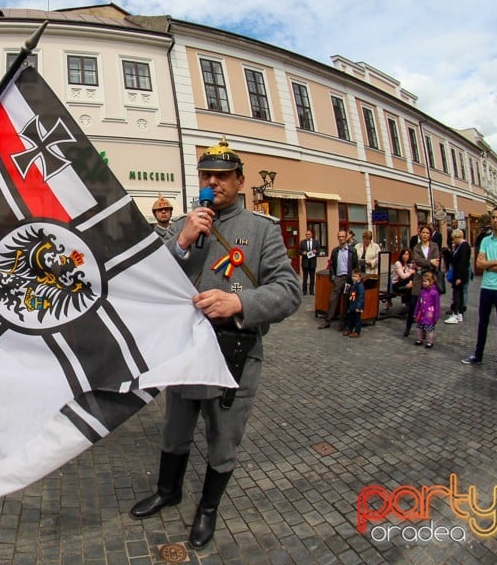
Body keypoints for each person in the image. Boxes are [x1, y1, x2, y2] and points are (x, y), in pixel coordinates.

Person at [129, 138, 300, 549]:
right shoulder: (184, 224)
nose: (213, 182)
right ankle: (169, 491)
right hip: (186, 349)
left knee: (223, 437)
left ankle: (207, 508)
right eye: (207, 175)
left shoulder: (261, 230)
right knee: (175, 429)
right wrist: (182, 240)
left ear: (239, 181)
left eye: (222, 176)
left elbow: (290, 290)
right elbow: (150, 277)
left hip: (233, 352)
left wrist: (239, 301)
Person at [462, 208, 497, 376]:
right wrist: (495, 262)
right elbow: (479, 265)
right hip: (486, 287)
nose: (495, 220)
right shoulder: (485, 240)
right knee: (482, 324)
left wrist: (488, 264)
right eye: (493, 217)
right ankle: (478, 355)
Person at [404, 225, 440, 337]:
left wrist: (423, 265)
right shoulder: (416, 247)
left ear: (430, 235)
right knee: (414, 304)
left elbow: (437, 262)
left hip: (429, 279)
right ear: (420, 234)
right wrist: (429, 263)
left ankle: (425, 329)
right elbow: (417, 261)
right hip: (419, 279)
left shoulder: (434, 246)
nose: (425, 235)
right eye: (423, 232)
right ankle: (408, 327)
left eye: (427, 233)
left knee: (428, 306)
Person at [318, 230, 358, 330]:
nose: (341, 238)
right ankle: (328, 321)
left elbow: (356, 266)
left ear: (346, 238)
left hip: (348, 278)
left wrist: (354, 278)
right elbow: (331, 266)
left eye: (342, 237)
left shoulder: (352, 251)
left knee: (345, 300)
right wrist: (333, 277)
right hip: (338, 278)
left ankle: (343, 322)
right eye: (339, 237)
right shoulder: (335, 251)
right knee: (332, 299)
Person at [443, 229, 470, 324]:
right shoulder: (460, 246)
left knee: (457, 294)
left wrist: (459, 277)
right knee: (459, 293)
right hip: (459, 273)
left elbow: (462, 262)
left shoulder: (464, 246)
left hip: (460, 274)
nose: (453, 241)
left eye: (454, 239)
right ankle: (459, 314)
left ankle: (456, 313)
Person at [414, 271, 441, 348]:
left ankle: (430, 341)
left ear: (431, 281)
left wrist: (436, 316)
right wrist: (415, 313)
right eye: (423, 281)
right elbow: (418, 303)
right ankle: (420, 339)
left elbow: (437, 305)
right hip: (421, 314)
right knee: (419, 328)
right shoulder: (422, 292)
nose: (424, 283)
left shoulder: (434, 293)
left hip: (429, 315)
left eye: (426, 281)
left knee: (429, 330)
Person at [344, 269, 365, 338]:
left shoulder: (360, 286)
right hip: (352, 304)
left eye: (356, 276)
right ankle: (350, 329)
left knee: (357, 319)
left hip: (357, 306)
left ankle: (357, 332)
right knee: (351, 318)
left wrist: (358, 307)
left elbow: (360, 297)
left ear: (359, 277)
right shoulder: (353, 284)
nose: (354, 278)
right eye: (353, 276)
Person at [298, 230, 319, 295]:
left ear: (311, 235)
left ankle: (311, 291)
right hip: (305, 262)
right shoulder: (302, 242)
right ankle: (304, 291)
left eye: (309, 234)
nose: (308, 236)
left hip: (312, 262)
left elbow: (318, 250)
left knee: (312, 278)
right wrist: (302, 252)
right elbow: (299, 251)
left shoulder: (316, 242)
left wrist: (316, 251)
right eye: (306, 234)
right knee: (305, 277)